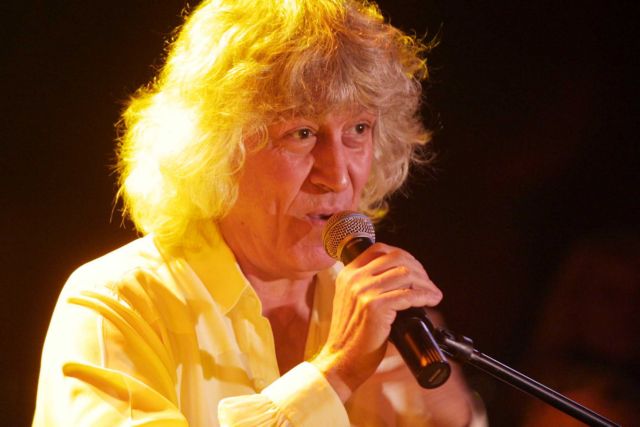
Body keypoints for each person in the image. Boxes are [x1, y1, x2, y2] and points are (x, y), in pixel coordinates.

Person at [33, 0, 485, 425]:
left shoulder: (380, 316)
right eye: (301, 133)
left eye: (358, 128)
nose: (336, 175)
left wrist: (455, 416)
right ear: (217, 149)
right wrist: (336, 372)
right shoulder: (115, 304)